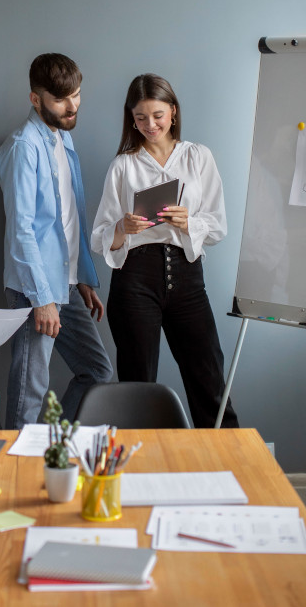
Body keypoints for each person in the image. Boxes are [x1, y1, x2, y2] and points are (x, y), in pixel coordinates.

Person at [91, 73, 238, 428]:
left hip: (187, 278)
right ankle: (138, 473)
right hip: (135, 279)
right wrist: (121, 229)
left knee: (209, 378)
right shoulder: (123, 165)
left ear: (173, 112)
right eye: (140, 117)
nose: (149, 124)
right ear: (131, 118)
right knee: (137, 385)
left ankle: (227, 469)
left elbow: (218, 226)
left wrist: (191, 223)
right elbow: (98, 238)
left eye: (157, 115)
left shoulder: (198, 157)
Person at [0, 53, 113, 429]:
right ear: (35, 99)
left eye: (76, 95)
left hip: (65, 284)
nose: (72, 106)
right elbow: (22, 230)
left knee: (97, 370)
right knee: (30, 391)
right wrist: (41, 298)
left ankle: (52, 445)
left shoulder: (63, 139)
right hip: (37, 289)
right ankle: (15, 467)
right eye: (61, 99)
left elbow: (68, 219)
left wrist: (81, 277)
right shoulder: (23, 146)